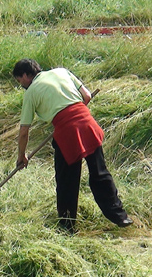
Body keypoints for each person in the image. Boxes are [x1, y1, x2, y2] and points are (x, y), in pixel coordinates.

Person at [12, 58, 133, 232]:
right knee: (100, 172)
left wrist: (21, 155)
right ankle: (120, 216)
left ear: (25, 75)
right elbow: (87, 96)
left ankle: (67, 226)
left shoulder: (31, 92)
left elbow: (24, 131)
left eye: (19, 80)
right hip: (87, 122)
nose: (20, 84)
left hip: (67, 132)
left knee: (67, 180)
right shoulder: (62, 71)